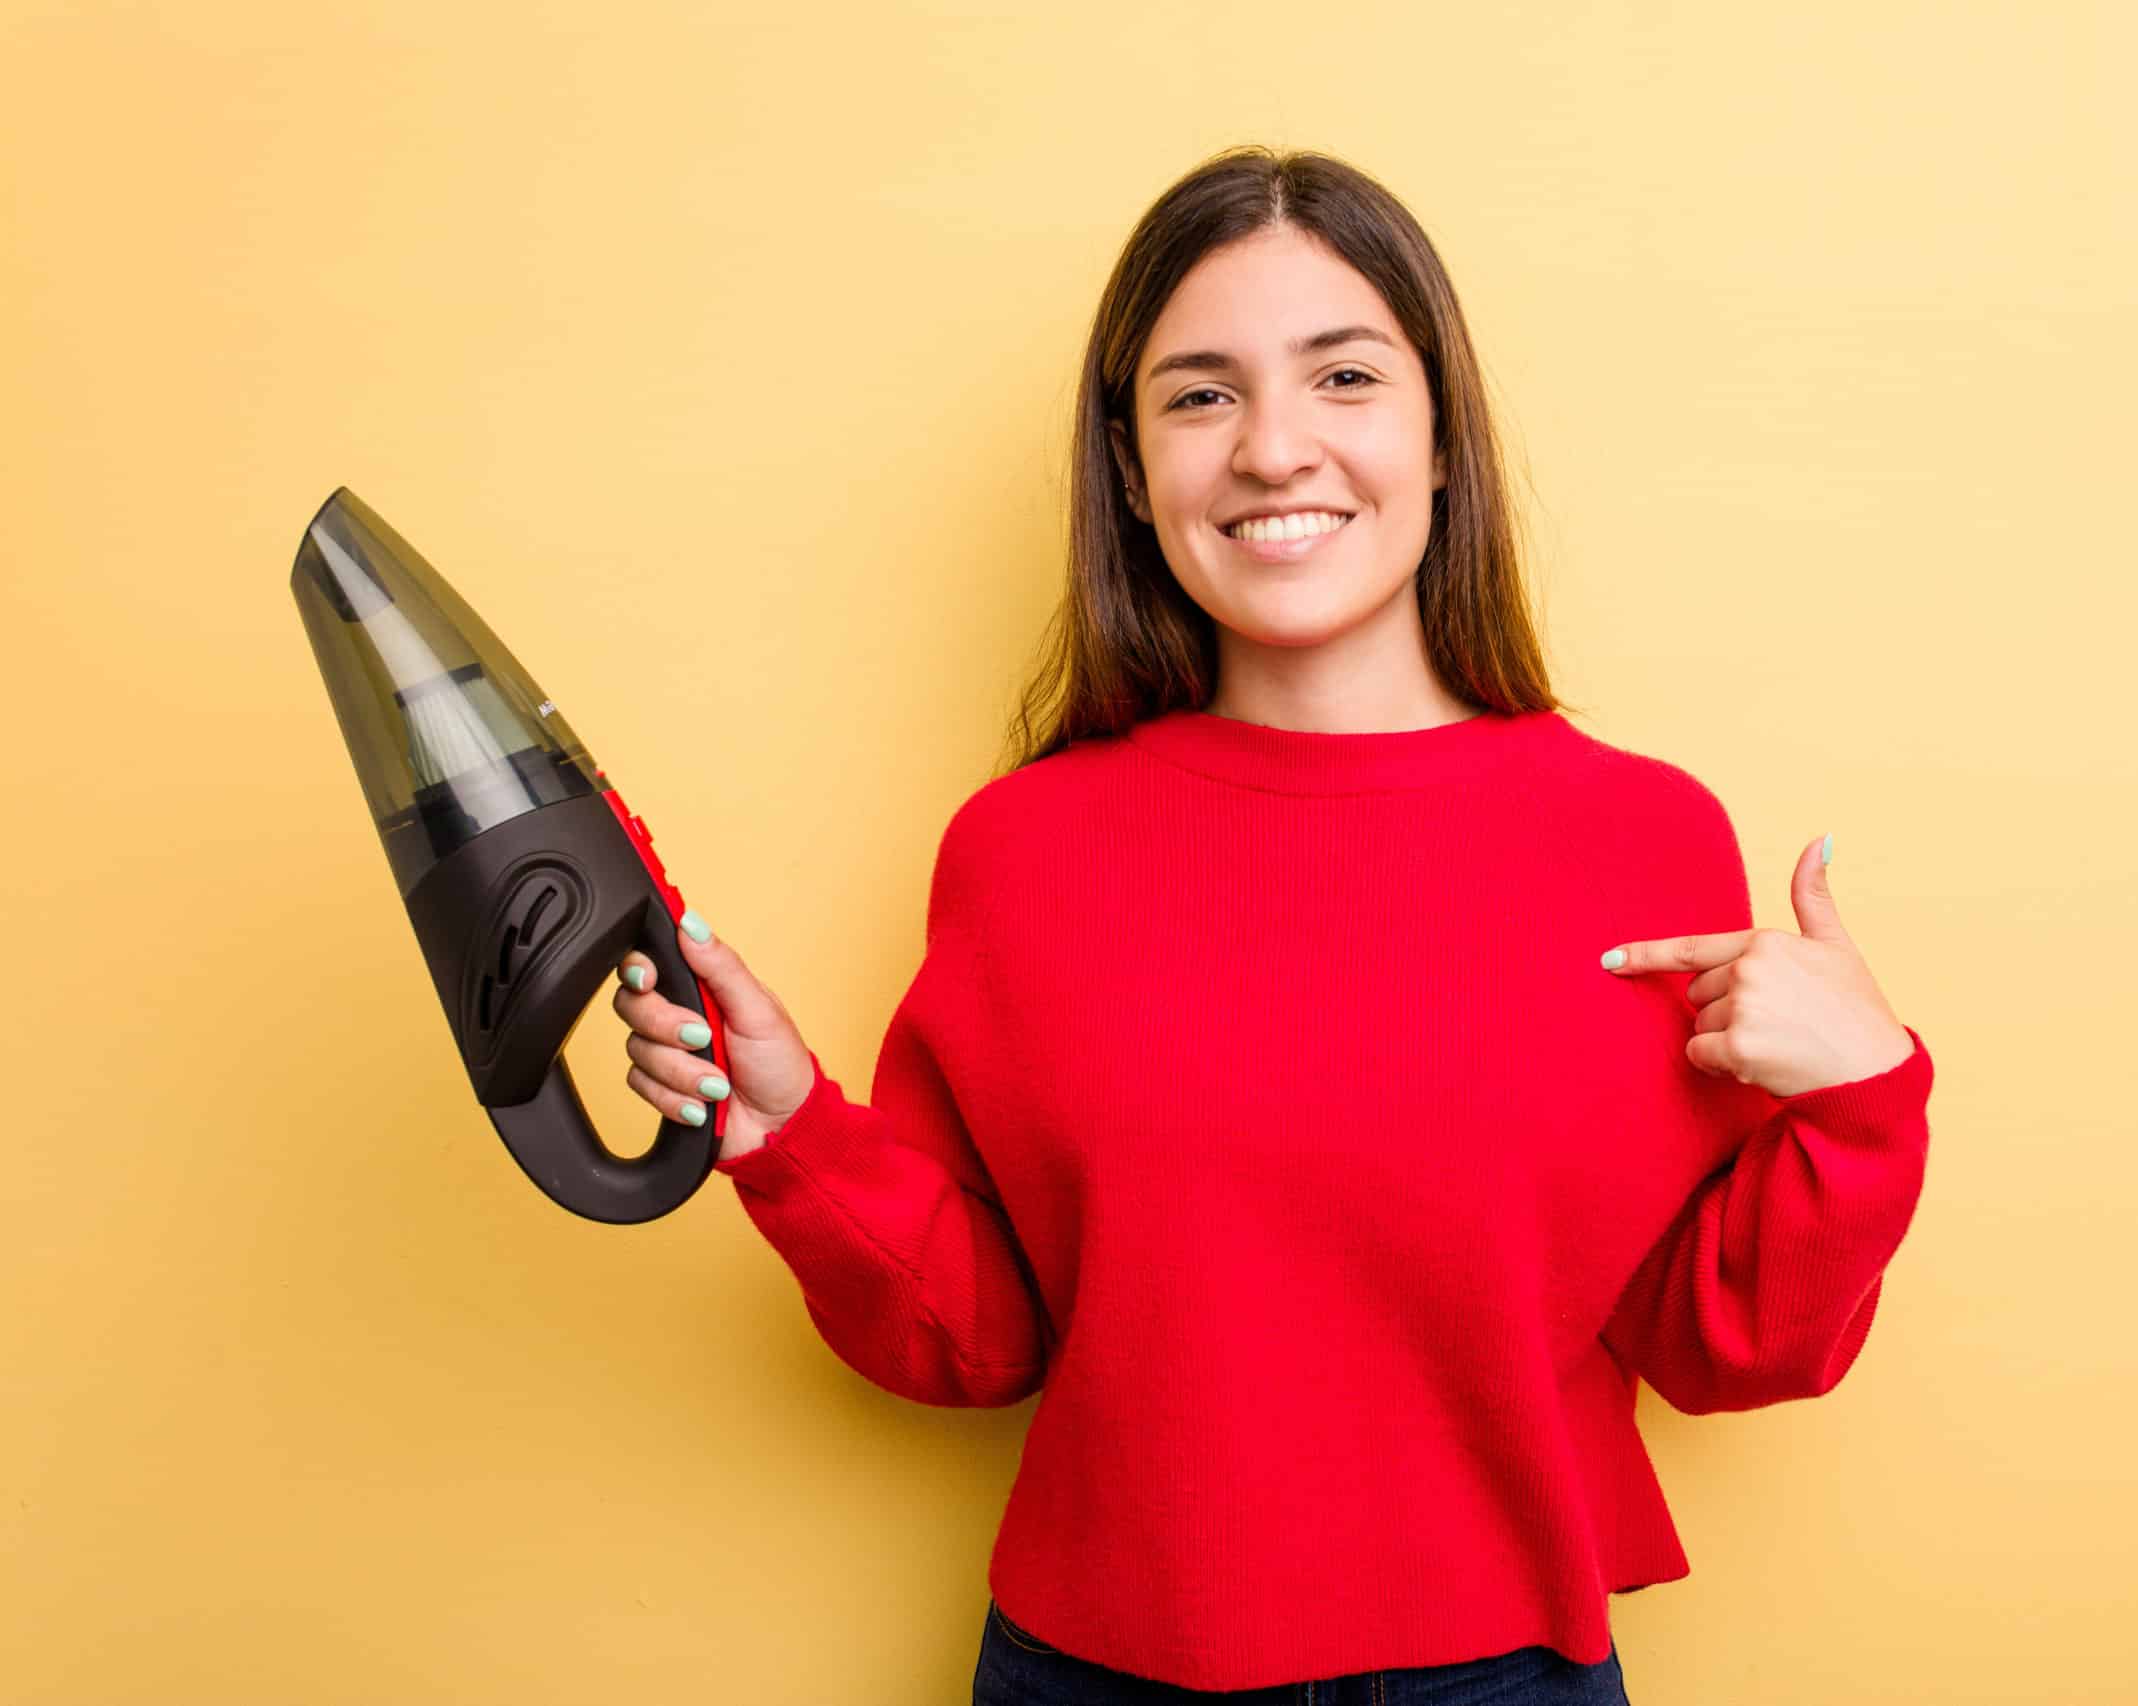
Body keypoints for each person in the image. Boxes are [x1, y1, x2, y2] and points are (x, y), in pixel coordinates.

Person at [609, 144, 1935, 1704]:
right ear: (1131, 470)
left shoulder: (1643, 839)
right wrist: (790, 1133)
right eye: (1201, 395)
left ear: (1443, 440)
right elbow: (978, 1340)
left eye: (1345, 376)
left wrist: (1865, 1098)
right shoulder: (1021, 850)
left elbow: (1728, 1344)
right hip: (1087, 1674)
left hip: (1498, 1675)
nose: (1273, 448)